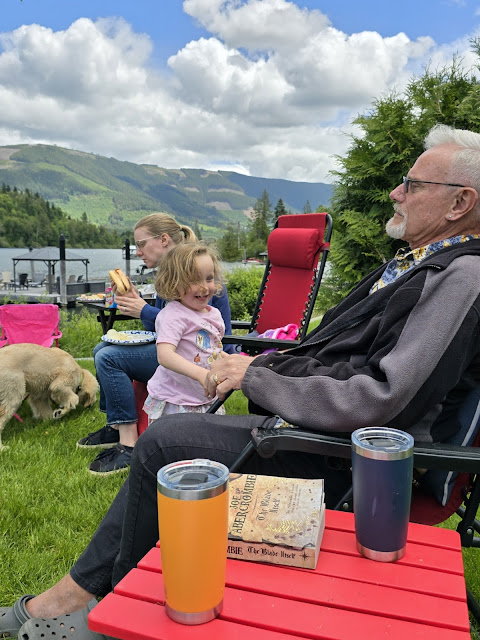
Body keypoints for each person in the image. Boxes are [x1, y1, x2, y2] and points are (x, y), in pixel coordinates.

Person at [4, 124, 480, 640]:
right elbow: (334, 356)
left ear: (460, 203)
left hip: (361, 468)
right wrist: (263, 368)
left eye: (411, 184)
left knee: (167, 442)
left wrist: (257, 377)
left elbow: (382, 398)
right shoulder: (420, 265)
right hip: (322, 432)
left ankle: (87, 603)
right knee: (169, 433)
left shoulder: (459, 280)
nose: (395, 192)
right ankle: (101, 595)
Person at [77, 212, 233, 475]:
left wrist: (143, 310)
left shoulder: (196, 274)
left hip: (194, 355)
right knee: (101, 349)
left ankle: (128, 443)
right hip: (182, 353)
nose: (138, 252)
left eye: (140, 244)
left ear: (163, 240)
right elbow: (165, 325)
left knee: (108, 357)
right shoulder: (172, 278)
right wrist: (139, 303)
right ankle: (115, 425)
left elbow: (203, 329)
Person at [143, 242, 226, 421]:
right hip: (175, 400)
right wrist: (201, 374)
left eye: (209, 278)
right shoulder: (173, 315)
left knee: (210, 437)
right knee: (174, 439)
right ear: (173, 283)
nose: (204, 287)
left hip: (205, 398)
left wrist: (228, 362)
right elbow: (165, 356)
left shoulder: (214, 315)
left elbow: (212, 350)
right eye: (194, 280)